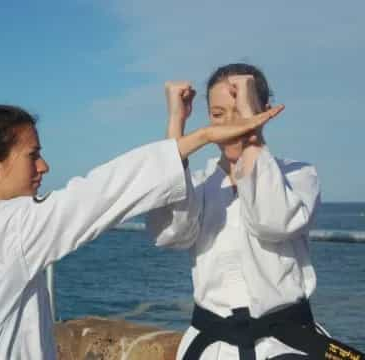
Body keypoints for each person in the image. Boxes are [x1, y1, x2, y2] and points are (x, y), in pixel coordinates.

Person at [0, 103, 282, 359]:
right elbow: (99, 194)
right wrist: (200, 137)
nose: (44, 165)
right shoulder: (10, 228)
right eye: (33, 155)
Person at [147, 64, 363, 360]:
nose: (231, 125)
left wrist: (252, 134)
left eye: (242, 112)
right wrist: (176, 125)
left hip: (286, 344)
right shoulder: (197, 183)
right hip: (213, 348)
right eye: (218, 115)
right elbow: (170, 234)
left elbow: (272, 223)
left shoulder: (298, 175)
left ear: (265, 111)